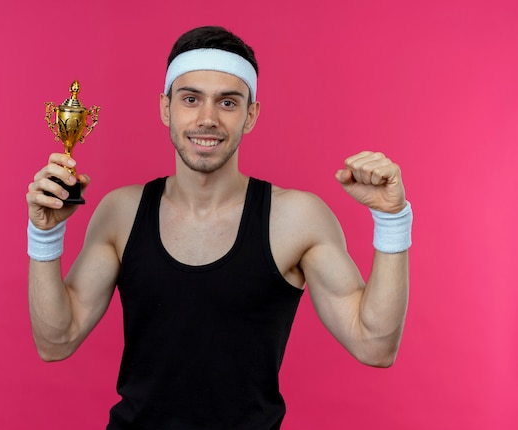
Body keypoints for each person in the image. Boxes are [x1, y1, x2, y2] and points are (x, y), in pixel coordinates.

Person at [26, 26, 412, 430]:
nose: (207, 119)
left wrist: (392, 219)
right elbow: (56, 340)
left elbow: (375, 345)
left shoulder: (296, 218)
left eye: (228, 102)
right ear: (166, 108)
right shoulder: (121, 213)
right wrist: (45, 236)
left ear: (251, 115)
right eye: (190, 99)